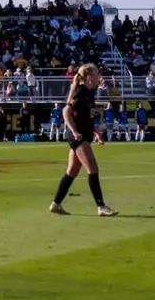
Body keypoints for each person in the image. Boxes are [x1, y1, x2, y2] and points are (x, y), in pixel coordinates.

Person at [48, 63, 117, 217]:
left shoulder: (90, 92)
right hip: (78, 137)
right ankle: (101, 206)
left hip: (83, 134)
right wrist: (74, 131)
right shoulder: (80, 91)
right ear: (89, 76)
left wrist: (96, 132)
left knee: (72, 171)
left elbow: (87, 117)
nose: (99, 76)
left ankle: (56, 204)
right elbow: (66, 111)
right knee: (93, 168)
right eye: (97, 73)